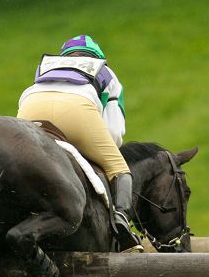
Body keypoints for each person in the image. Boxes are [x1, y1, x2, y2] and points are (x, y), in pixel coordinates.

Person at [17, 35, 143, 253]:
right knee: (119, 168)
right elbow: (114, 132)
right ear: (98, 57)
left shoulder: (46, 67)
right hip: (76, 110)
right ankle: (121, 223)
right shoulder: (105, 71)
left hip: (30, 105)